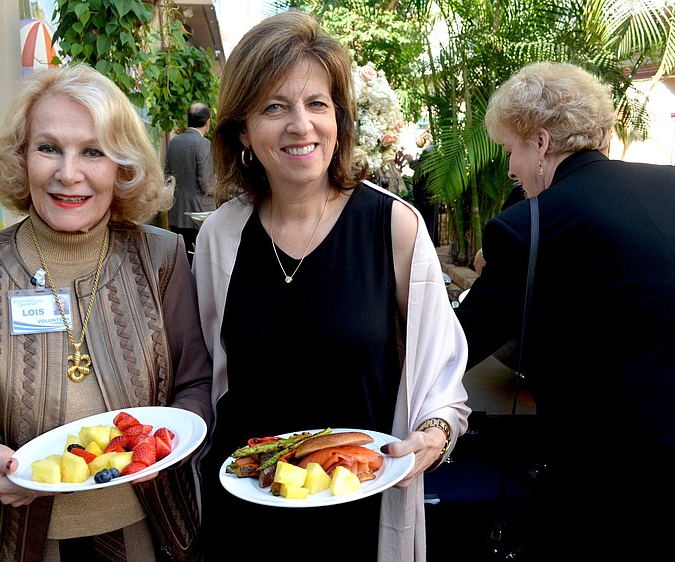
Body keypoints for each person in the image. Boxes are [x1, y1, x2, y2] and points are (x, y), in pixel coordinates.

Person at [192, 11, 470, 562]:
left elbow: (441, 377)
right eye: (275, 107)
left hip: (359, 512)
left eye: (317, 104)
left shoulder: (393, 226)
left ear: (338, 119)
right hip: (247, 508)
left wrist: (433, 436)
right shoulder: (222, 236)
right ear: (243, 130)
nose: (301, 125)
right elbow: (208, 376)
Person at [0, 63, 213, 562]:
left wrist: (169, 440)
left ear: (121, 167)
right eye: (48, 147)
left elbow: (195, 385)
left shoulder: (162, 258)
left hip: (152, 536)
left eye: (93, 151)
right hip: (23, 545)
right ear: (22, 157)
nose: (68, 173)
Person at [455, 61, 675, 561]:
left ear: (542, 143)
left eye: (510, 150)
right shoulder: (674, 184)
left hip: (623, 489)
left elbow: (454, 346)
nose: (509, 169)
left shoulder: (528, 225)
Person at [165, 102, 216, 262]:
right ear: (207, 122)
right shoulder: (204, 144)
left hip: (176, 214)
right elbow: (207, 184)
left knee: (180, 262)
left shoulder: (174, 142)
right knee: (199, 263)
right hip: (199, 215)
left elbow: (166, 176)